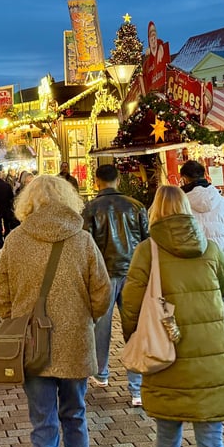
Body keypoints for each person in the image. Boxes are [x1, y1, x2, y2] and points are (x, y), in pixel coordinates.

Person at [0, 175, 111, 447]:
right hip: (76, 343)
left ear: (27, 202)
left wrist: (16, 319)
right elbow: (102, 293)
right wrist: (86, 319)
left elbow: (1, 297)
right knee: (75, 416)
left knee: (43, 426)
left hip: (32, 344)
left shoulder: (15, 240)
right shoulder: (82, 239)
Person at [122, 185, 224, 447]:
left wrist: (136, 339)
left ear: (155, 211)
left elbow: (131, 307)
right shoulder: (211, 250)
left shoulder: (147, 252)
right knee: (212, 442)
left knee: (166, 438)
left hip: (166, 356)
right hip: (212, 359)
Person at [82, 163, 149, 406]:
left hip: (104, 273)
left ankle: (101, 373)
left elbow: (86, 245)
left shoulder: (90, 208)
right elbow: (146, 240)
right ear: (118, 180)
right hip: (134, 272)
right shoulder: (136, 206)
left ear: (97, 181)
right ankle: (136, 387)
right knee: (134, 327)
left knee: (102, 325)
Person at [180, 160, 224, 311]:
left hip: (193, 266)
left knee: (198, 312)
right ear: (205, 175)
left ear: (184, 178)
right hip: (220, 264)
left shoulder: (180, 204)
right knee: (221, 309)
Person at [0, 166, 18, 247]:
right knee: (7, 224)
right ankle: (6, 238)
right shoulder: (7, 186)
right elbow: (11, 197)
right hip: (6, 208)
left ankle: (0, 241)